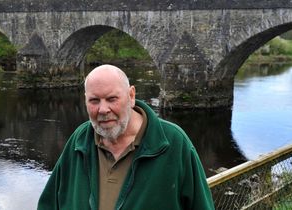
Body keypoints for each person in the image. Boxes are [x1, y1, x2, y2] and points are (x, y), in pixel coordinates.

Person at [37, 64, 214, 210]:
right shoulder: (80, 140)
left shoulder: (173, 143)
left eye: (112, 99)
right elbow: (49, 204)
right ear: (85, 100)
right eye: (94, 100)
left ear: (131, 96)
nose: (103, 110)